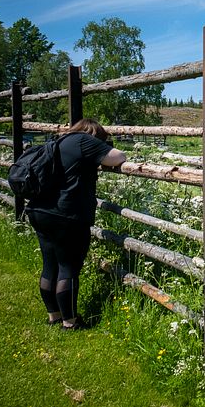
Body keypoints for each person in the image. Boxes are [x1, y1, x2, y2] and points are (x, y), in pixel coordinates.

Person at [26, 118, 126, 330]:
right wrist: (104, 148)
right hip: (67, 215)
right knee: (68, 267)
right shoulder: (84, 140)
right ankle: (70, 322)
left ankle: (53, 316)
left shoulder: (59, 142)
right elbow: (118, 157)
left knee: (50, 265)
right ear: (94, 134)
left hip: (39, 210)